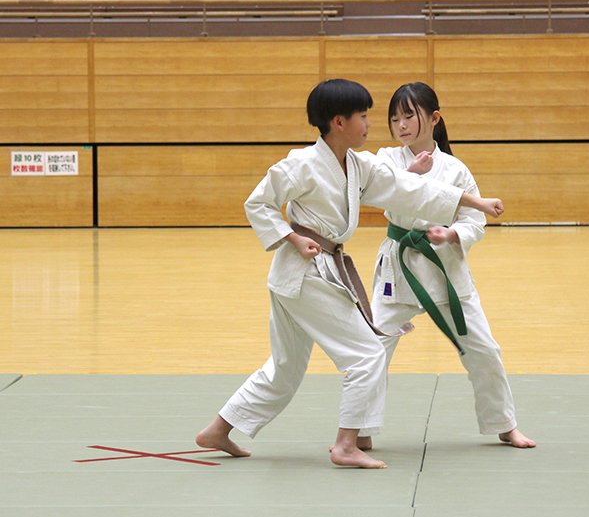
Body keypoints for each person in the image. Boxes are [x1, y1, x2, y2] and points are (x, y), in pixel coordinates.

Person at [196, 79, 506, 469]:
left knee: (286, 369)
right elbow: (257, 203)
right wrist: (290, 237)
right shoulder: (302, 163)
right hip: (307, 273)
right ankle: (346, 445)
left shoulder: (358, 166)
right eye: (364, 116)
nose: (371, 124)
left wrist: (475, 201)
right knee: (366, 354)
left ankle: (218, 430)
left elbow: (409, 189)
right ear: (339, 122)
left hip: (304, 275)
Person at [359, 82, 535, 450]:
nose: (401, 125)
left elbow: (474, 220)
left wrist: (453, 234)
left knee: (484, 349)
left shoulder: (455, 169)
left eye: (409, 116)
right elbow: (383, 190)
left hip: (445, 270)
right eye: (394, 119)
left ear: (434, 118)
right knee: (372, 348)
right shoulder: (387, 159)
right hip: (400, 267)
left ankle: (504, 424)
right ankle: (359, 430)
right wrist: (410, 171)